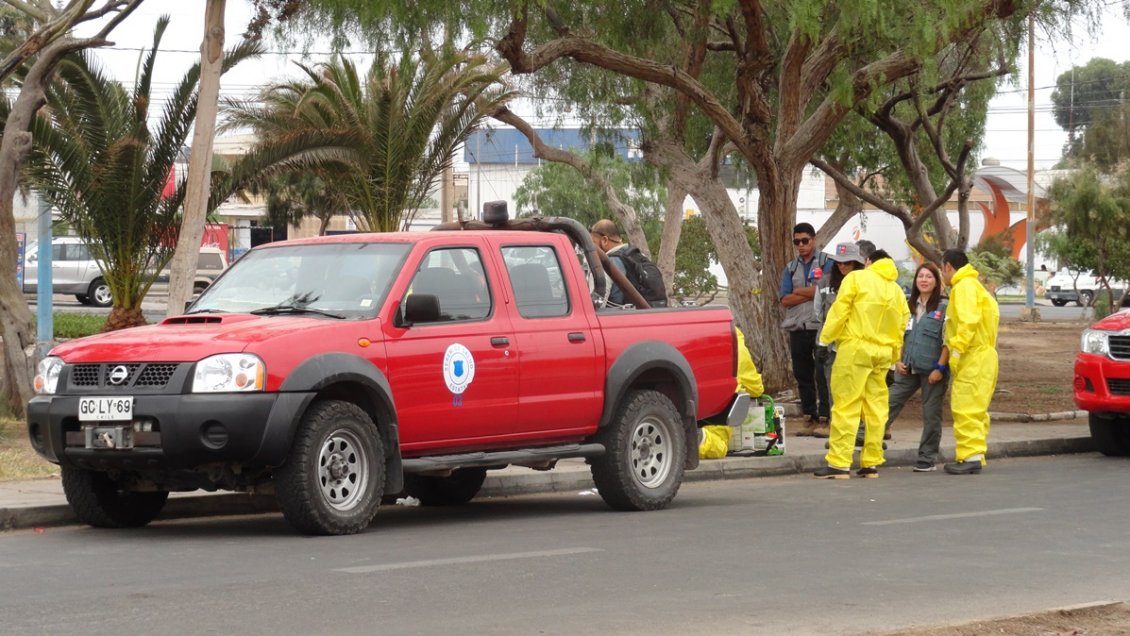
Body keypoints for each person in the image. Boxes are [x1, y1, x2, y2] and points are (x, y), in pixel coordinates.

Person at [814, 249, 909, 479]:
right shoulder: (896, 291)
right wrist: (894, 357)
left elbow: (839, 312)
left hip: (855, 350)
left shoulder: (856, 279)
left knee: (846, 406)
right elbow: (901, 326)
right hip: (882, 353)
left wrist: (824, 340)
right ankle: (871, 463)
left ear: (868, 262)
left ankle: (839, 463)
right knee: (876, 409)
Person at [883, 262, 950, 472]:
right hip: (907, 368)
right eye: (920, 276)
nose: (923, 280)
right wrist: (897, 360)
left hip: (933, 371)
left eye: (929, 276)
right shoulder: (908, 305)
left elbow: (949, 340)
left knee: (931, 415)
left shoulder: (944, 306)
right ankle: (868, 443)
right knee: (887, 403)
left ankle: (927, 458)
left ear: (936, 282)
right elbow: (898, 334)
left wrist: (940, 368)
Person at [940, 249, 1000, 475]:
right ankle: (975, 454)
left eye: (941, 269)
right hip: (984, 356)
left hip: (973, 356)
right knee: (976, 408)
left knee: (966, 407)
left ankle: (970, 457)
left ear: (947, 266)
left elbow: (967, 323)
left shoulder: (963, 287)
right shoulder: (976, 287)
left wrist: (955, 354)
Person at [780, 223, 831, 437]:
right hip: (797, 327)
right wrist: (810, 291)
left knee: (823, 374)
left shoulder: (828, 262)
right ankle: (808, 417)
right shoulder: (790, 267)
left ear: (814, 239)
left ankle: (826, 418)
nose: (800, 245)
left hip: (821, 328)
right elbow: (784, 299)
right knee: (803, 375)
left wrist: (798, 291)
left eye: (804, 241)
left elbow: (827, 289)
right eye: (796, 241)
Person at [813, 242, 867, 411]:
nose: (842, 266)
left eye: (847, 262)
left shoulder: (866, 283)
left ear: (856, 263)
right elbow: (818, 312)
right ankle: (835, 427)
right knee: (834, 390)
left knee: (859, 390)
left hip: (857, 347)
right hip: (832, 348)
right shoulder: (825, 282)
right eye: (839, 262)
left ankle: (858, 431)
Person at [590, 219, 632, 306]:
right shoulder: (640, 256)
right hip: (648, 316)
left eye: (593, 243)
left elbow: (596, 307)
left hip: (617, 318)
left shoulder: (604, 266)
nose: (592, 249)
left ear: (604, 240)